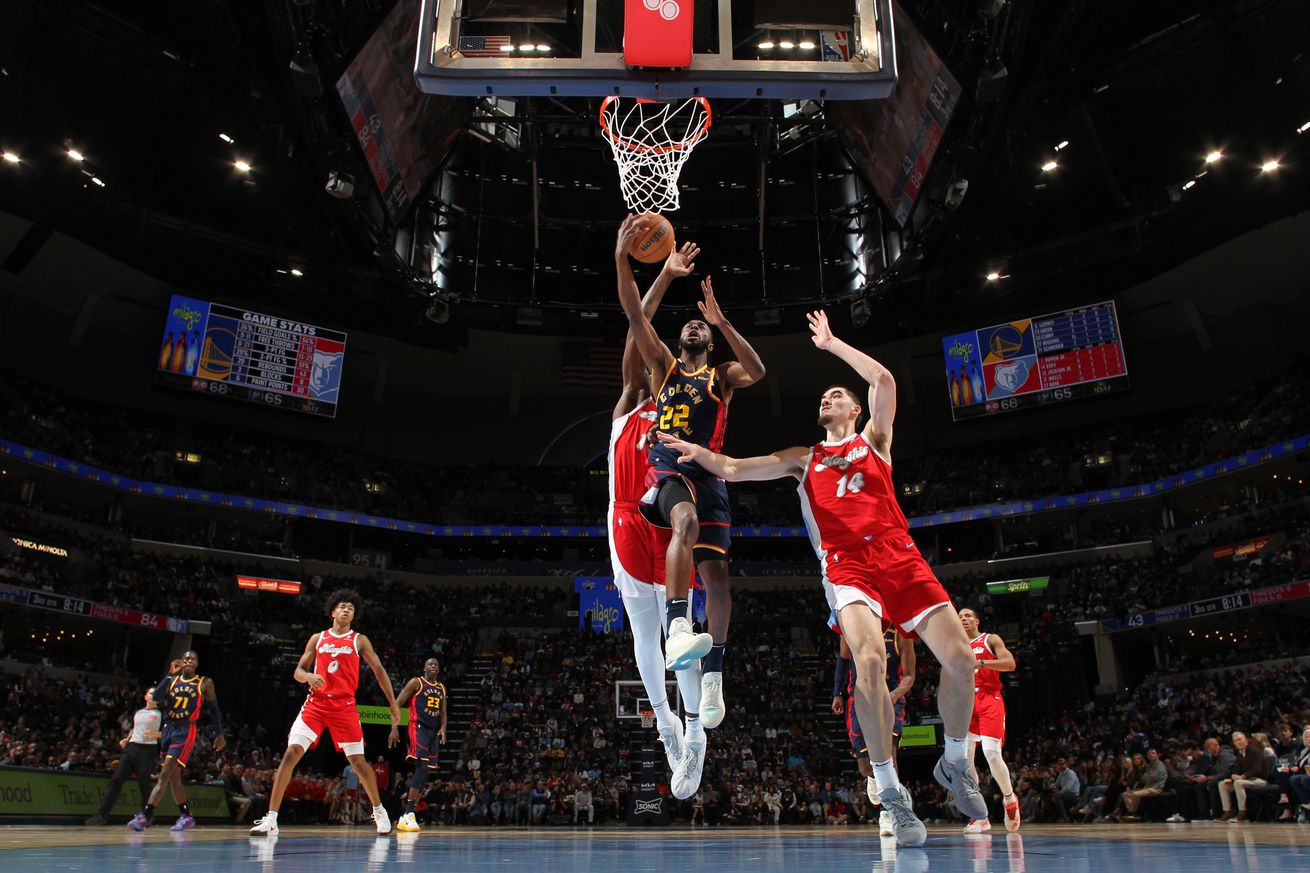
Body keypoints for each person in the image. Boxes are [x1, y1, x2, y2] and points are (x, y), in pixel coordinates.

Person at [659, 309, 986, 846]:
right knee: (871, 661)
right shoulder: (802, 458)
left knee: (961, 659)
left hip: (900, 555)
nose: (826, 399)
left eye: (836, 395)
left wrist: (832, 344)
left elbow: (883, 379)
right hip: (847, 566)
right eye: (824, 396)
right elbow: (738, 468)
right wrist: (702, 455)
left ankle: (954, 762)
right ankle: (892, 794)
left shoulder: (875, 442)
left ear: (854, 409)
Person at [616, 214, 768, 729]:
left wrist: (723, 321)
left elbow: (759, 371)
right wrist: (642, 266)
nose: (694, 327)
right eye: (691, 325)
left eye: (701, 326)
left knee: (720, 581)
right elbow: (637, 318)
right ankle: (679, 624)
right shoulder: (663, 366)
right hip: (668, 469)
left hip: (711, 476)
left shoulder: (721, 375)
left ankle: (714, 673)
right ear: (681, 338)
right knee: (683, 523)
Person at [611, 222, 709, 797]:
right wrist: (656, 276)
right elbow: (635, 326)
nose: (653, 368)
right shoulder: (629, 403)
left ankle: (695, 732)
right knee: (646, 637)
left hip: (671, 512)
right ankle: (669, 728)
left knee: (683, 633)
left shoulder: (682, 400)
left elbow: (648, 337)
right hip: (628, 519)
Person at [249, 589, 400, 835]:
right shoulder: (317, 638)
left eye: (351, 608)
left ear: (354, 615)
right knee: (290, 755)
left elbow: (379, 670)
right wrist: (309, 676)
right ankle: (271, 818)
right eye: (342, 606)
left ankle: (378, 810)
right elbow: (298, 671)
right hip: (316, 705)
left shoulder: (359, 640)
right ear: (332, 611)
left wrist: (392, 702)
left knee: (359, 764)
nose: (346, 610)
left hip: (344, 706)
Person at [832, 620, 915, 836]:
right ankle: (872, 778)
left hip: (891, 698)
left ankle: (889, 813)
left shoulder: (900, 631)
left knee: (890, 755)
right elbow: (843, 659)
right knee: (865, 767)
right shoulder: (851, 623)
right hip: (859, 698)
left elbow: (909, 675)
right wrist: (837, 693)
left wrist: (894, 695)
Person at [127, 651, 225, 831]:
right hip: (169, 728)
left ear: (197, 663)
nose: (188, 661)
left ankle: (145, 815)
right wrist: (170, 673)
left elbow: (214, 710)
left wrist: (220, 734)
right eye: (186, 658)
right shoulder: (172, 680)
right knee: (174, 778)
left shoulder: (205, 683)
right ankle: (186, 816)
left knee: (165, 774)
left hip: (186, 730)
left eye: (192, 659)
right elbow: (156, 697)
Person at [958, 608, 1020, 833]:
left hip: (989, 698)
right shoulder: (956, 646)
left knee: (992, 754)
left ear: (976, 620)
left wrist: (981, 663)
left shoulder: (989, 639)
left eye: (967, 616)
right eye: (959, 617)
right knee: (965, 760)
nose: (963, 619)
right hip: (966, 702)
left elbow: (1010, 664)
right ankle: (979, 815)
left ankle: (1009, 799)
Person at [85, 689, 161, 825]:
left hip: (147, 750)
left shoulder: (161, 713)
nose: (154, 695)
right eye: (151, 693)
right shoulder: (138, 712)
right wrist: (126, 739)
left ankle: (146, 816)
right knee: (116, 780)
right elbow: (134, 728)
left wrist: (155, 735)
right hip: (131, 748)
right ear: (145, 696)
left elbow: (168, 733)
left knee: (144, 784)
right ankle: (101, 815)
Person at [390, 657, 448, 832]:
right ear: (424, 668)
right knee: (421, 768)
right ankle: (408, 813)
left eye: (436, 665)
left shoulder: (441, 688)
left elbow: (443, 712)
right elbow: (396, 704)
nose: (433, 666)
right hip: (418, 728)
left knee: (426, 771)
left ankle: (408, 814)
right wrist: (394, 728)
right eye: (430, 664)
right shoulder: (416, 683)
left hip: (433, 732)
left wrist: (443, 728)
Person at [1218, 730, 1272, 822]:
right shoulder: (1239, 755)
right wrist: (1234, 776)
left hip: (1260, 780)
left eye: (1239, 739)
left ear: (1246, 740)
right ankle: (1228, 811)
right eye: (1235, 741)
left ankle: (1242, 813)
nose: (1238, 742)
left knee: (1239, 783)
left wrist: (1243, 776)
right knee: (1223, 784)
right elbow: (1237, 770)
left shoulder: (1255, 751)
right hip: (1247, 780)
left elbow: (1257, 769)